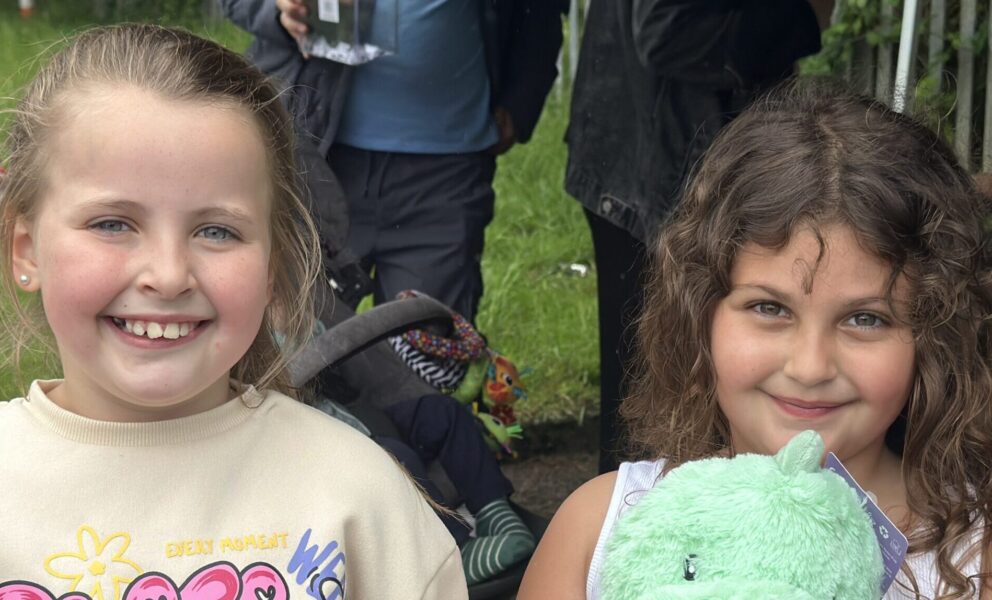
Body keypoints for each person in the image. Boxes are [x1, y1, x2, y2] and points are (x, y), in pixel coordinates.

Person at [0, 24, 467, 598]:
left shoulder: (357, 494)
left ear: (271, 269)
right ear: (25, 249)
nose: (169, 275)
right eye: (113, 223)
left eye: (216, 231)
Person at [518, 82, 992, 598]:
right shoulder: (599, 532)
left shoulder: (973, 561)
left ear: (935, 332)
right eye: (770, 308)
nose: (811, 368)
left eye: (866, 319)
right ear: (701, 312)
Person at [565, 0, 829, 473]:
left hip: (654, 162)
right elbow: (669, 35)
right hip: (664, 177)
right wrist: (802, 15)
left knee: (664, 391)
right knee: (662, 402)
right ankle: (636, 534)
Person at [221, 0, 567, 321]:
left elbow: (539, 10)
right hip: (313, 157)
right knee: (288, 347)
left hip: (444, 174)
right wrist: (276, 11)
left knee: (425, 360)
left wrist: (523, 99)